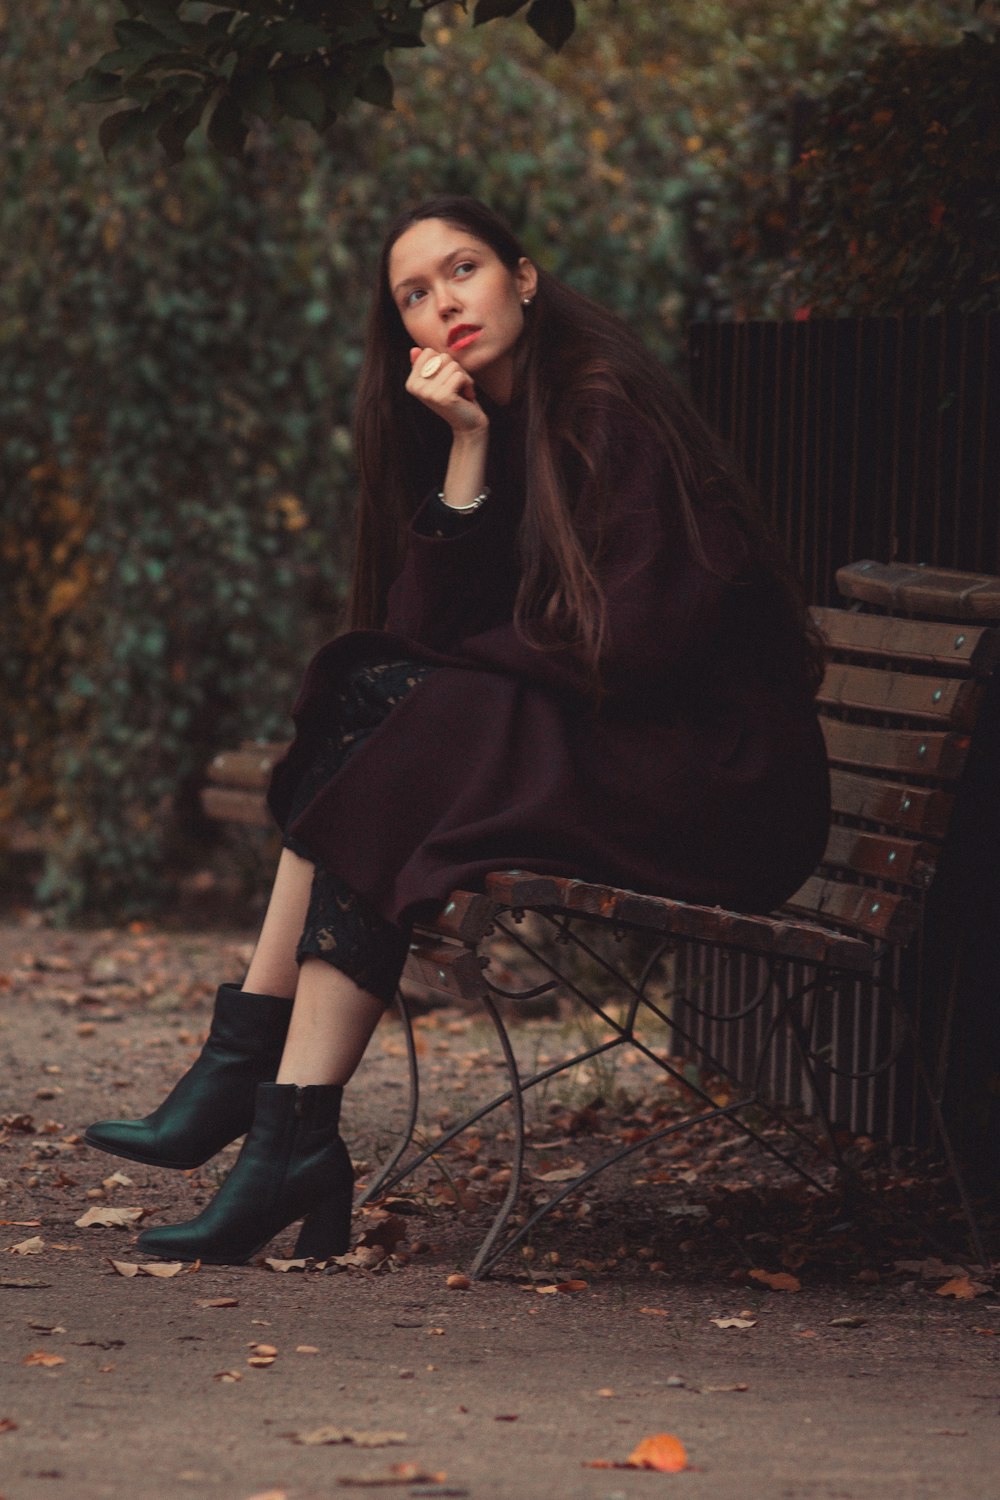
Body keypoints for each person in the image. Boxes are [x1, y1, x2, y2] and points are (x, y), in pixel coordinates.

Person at [85, 196, 830, 1264]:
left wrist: (453, 678)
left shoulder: (606, 408)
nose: (446, 304)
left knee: (402, 720)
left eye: (464, 270)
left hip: (715, 781)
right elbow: (416, 637)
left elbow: (641, 644)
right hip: (626, 749)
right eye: (415, 298)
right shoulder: (499, 418)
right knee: (382, 712)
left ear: (523, 278)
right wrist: (468, 449)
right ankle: (282, 1118)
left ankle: (252, 1087)